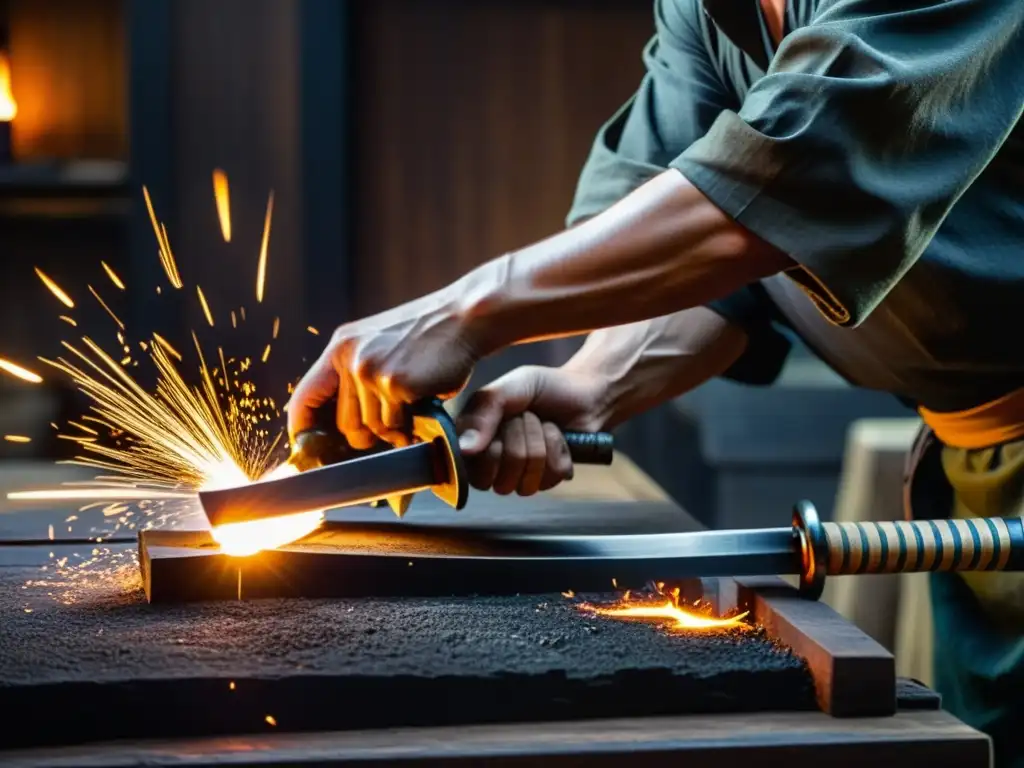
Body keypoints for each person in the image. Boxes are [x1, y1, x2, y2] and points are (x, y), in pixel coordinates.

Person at [288, 0, 1024, 761]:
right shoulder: (708, 13)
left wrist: (462, 313)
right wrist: (592, 385)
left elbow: (785, 184)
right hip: (973, 475)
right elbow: (704, 261)